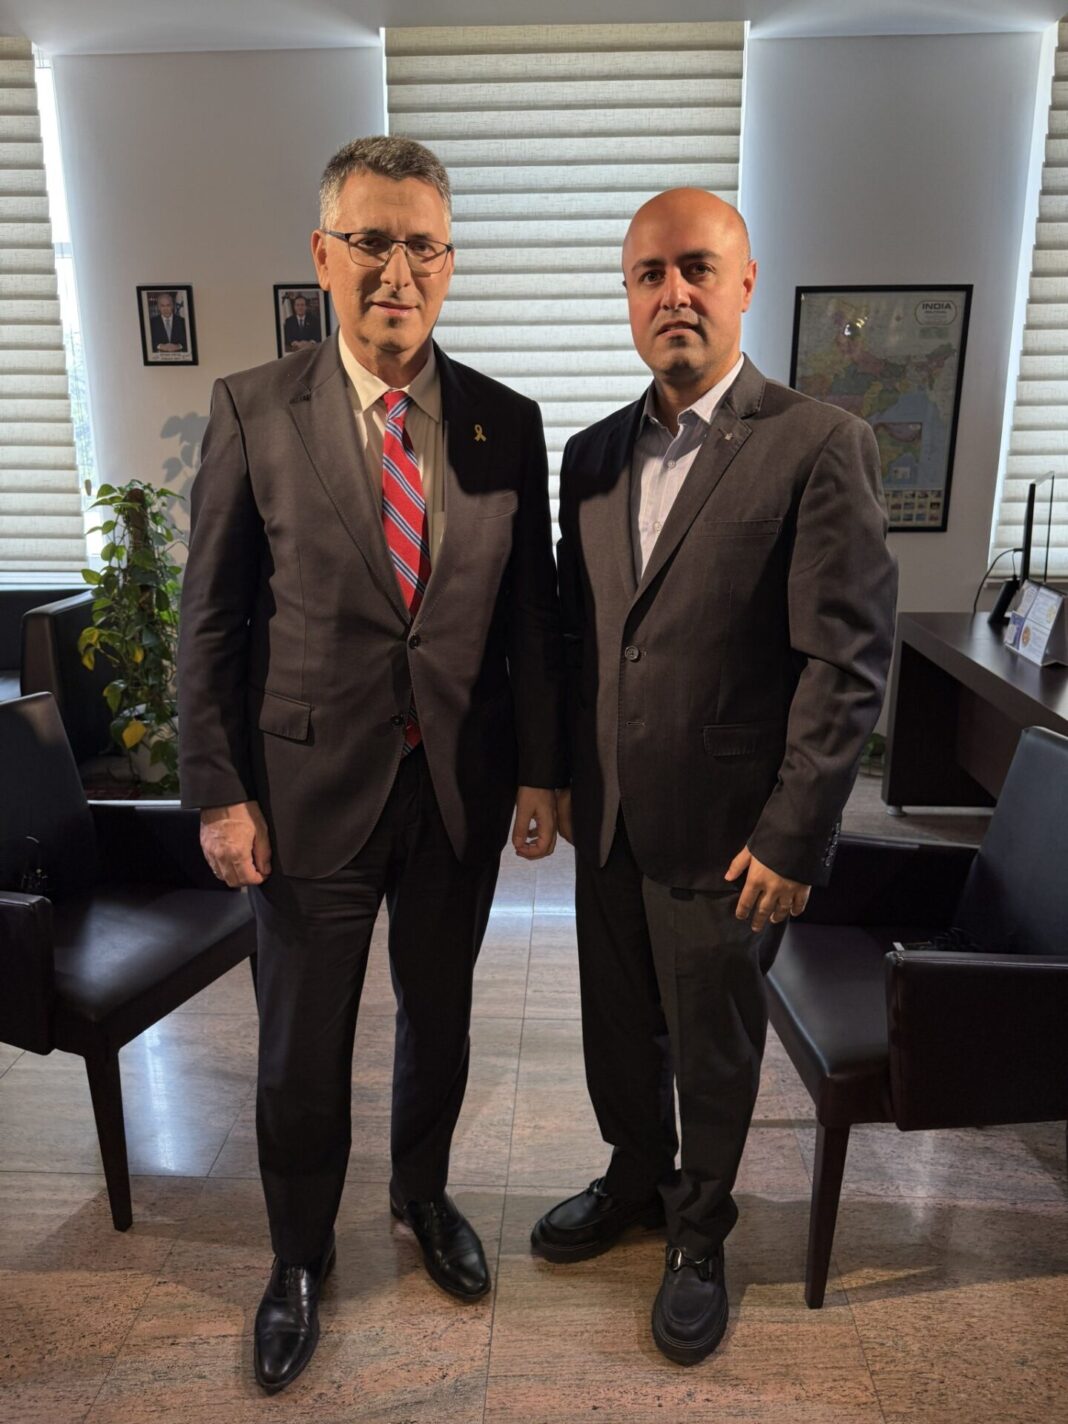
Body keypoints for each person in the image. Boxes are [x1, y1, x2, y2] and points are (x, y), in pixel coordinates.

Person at [177, 135, 564, 1394]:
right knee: (301, 1045)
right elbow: (210, 622)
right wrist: (219, 791)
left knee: (439, 1019)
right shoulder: (254, 409)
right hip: (302, 795)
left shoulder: (507, 422)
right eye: (372, 241)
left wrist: (542, 771)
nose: (398, 270)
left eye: (422, 246)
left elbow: (531, 615)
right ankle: (298, 1255)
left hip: (455, 789)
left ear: (450, 263)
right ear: (323, 253)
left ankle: (421, 1194)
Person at [532, 188, 897, 1365]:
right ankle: (636, 1177)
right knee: (616, 1029)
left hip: (731, 830)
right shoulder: (590, 456)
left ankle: (699, 1231)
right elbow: (580, 635)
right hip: (608, 820)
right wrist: (557, 777)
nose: (673, 292)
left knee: (713, 1047)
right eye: (650, 273)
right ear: (627, 297)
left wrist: (795, 832)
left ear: (744, 284)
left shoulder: (818, 444)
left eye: (697, 267)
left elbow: (845, 662)